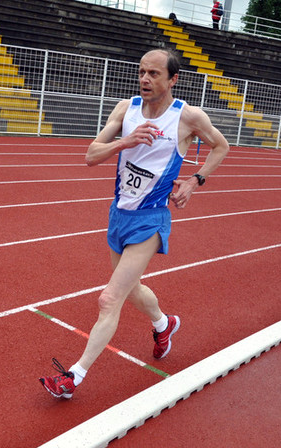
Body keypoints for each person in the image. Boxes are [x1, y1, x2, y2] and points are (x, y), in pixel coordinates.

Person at [39, 48, 229, 399]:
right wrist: (125, 141)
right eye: (142, 72)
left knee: (109, 298)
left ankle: (73, 377)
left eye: (154, 73)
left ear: (173, 79)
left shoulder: (187, 117)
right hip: (119, 215)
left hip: (151, 219)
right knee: (132, 289)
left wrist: (193, 181)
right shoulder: (125, 109)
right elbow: (90, 156)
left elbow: (221, 146)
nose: (145, 79)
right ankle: (164, 323)